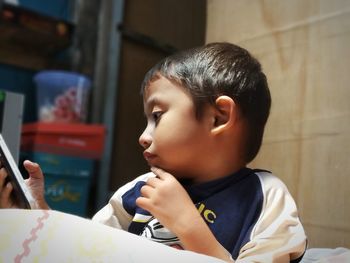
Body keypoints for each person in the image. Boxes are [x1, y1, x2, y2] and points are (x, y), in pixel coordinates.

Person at [0, 42, 307, 262]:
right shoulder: (140, 189)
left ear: (219, 117)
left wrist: (188, 225)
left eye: (157, 116)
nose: (143, 137)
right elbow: (84, 247)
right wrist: (39, 213)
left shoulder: (265, 196)